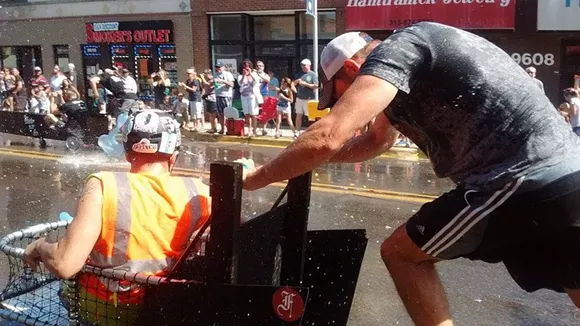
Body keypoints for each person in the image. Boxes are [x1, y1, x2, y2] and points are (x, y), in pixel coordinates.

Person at [242, 23, 580, 325]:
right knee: (573, 275)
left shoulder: (396, 52)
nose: (344, 101)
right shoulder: (408, 67)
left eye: (340, 92)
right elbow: (377, 141)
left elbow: (328, 137)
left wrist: (256, 177)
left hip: (522, 173)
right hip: (569, 170)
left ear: (351, 68)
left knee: (402, 255)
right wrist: (310, 159)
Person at [23, 109, 211, 325]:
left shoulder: (104, 185)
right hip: (167, 308)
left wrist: (39, 246)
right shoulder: (199, 191)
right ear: (173, 155)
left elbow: (64, 264)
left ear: (128, 152)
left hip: (110, 310)